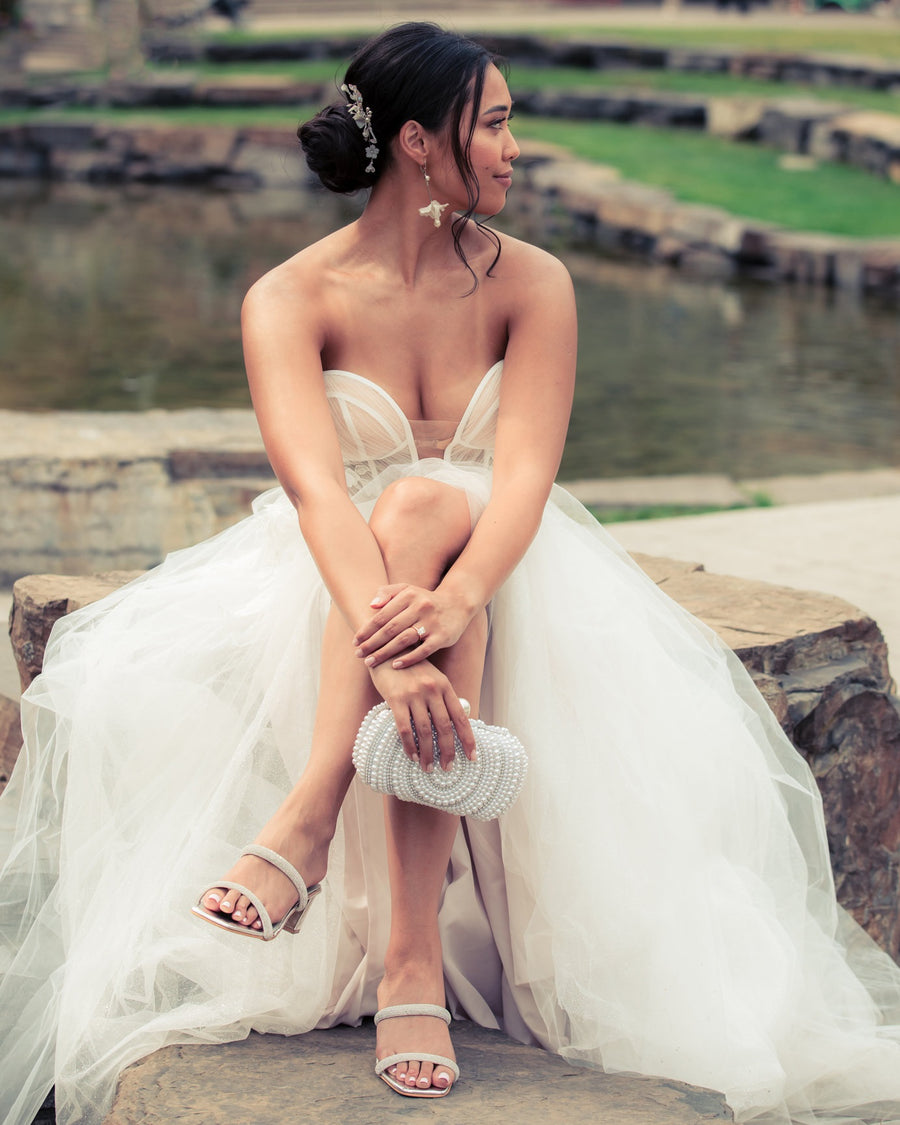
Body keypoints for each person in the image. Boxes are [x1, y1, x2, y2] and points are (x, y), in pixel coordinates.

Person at [2, 20, 900, 1125]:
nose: (519, 148)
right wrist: (405, 642)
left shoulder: (538, 283)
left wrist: (454, 596)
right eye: (500, 123)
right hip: (332, 588)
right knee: (408, 508)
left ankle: (310, 820)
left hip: (501, 579)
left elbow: (521, 479)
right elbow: (321, 497)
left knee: (433, 504)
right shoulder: (289, 298)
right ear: (422, 144)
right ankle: (411, 963)